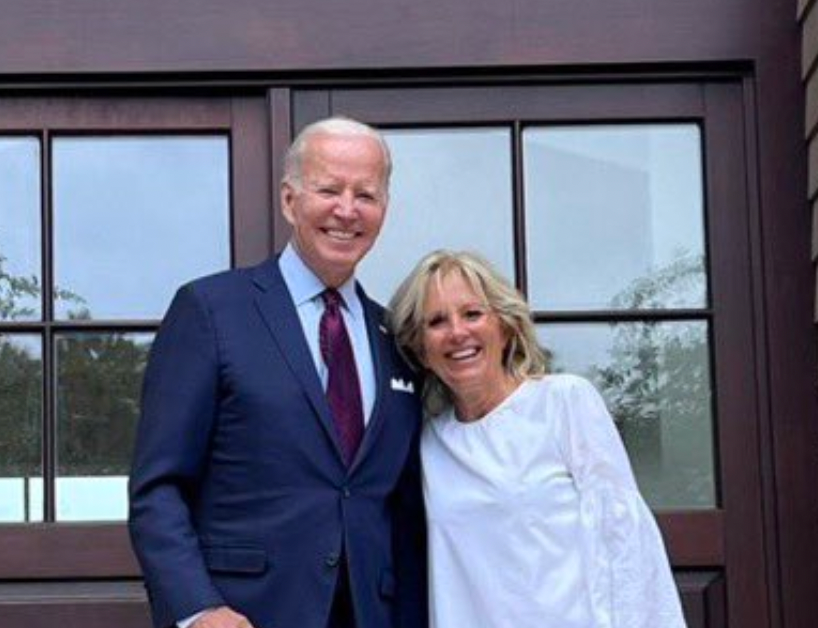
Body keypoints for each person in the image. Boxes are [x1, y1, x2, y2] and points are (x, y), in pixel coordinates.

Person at [129, 117, 426, 628]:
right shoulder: (211, 310)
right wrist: (198, 609)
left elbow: (402, 509)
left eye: (366, 194)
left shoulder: (394, 335)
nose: (347, 210)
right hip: (245, 614)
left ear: (384, 210)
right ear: (290, 200)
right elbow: (159, 488)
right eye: (329, 189)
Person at [389, 250, 687, 628]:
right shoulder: (429, 444)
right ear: (421, 349)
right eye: (436, 321)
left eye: (472, 314)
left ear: (505, 325)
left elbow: (627, 540)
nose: (457, 332)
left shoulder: (563, 403)